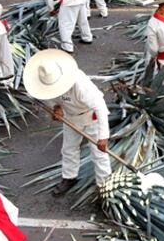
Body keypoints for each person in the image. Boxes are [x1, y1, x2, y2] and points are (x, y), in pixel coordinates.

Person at [23, 49, 112, 196]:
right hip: (71, 117)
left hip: (90, 116)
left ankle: (104, 184)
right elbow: (51, 100)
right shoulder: (44, 83)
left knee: (98, 152)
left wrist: (103, 136)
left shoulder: (80, 85)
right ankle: (69, 177)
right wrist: (56, 108)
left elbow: (100, 107)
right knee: (69, 149)